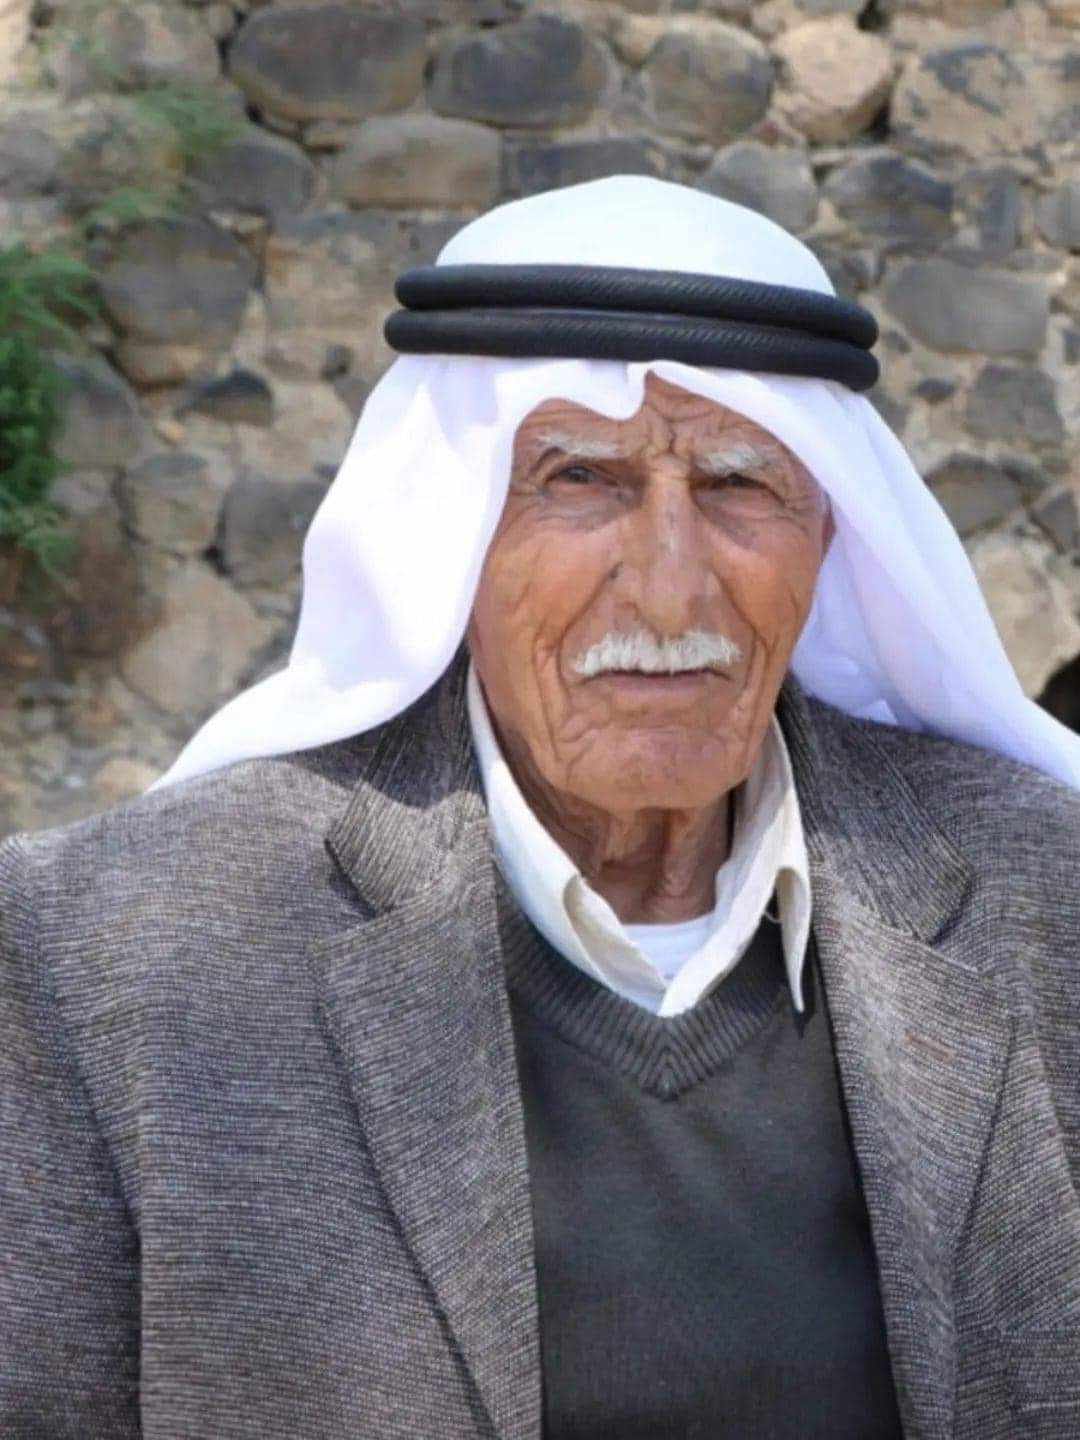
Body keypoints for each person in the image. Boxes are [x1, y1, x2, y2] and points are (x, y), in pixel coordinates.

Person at [2, 175, 1078, 1439]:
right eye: (581, 480)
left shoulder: (1045, 896)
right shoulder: (104, 954)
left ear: (830, 537)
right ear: (451, 529)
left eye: (740, 487)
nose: (671, 589)